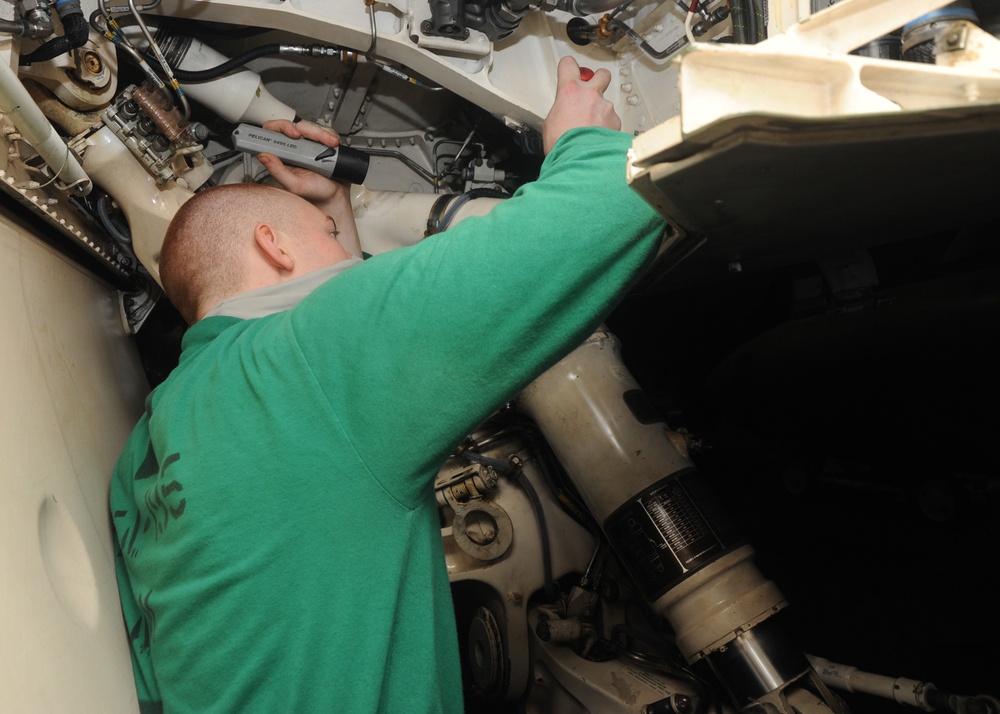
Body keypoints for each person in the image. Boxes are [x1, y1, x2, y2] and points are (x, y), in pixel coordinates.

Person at [111, 55, 666, 713]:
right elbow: (609, 208)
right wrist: (584, 135)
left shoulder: (150, 447)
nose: (351, 259)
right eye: (325, 237)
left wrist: (333, 207)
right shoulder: (313, 360)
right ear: (274, 247)